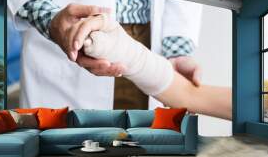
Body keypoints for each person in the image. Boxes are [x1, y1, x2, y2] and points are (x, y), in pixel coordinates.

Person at [8, 0, 202, 110]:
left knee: (134, 153)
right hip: (64, 25)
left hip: (147, 42)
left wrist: (177, 49)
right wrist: (50, 19)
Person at [81, 14, 232, 119]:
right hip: (100, 32)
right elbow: (188, 95)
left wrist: (130, 54)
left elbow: (188, 96)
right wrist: (177, 53)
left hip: (139, 37)